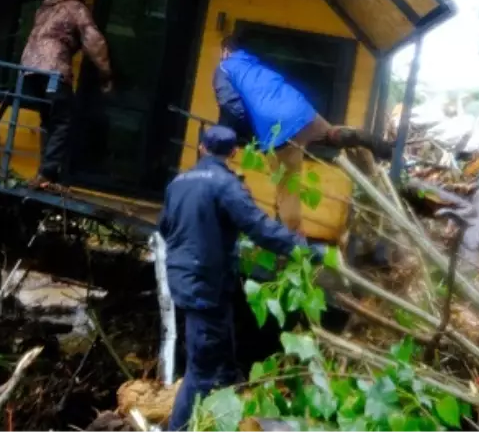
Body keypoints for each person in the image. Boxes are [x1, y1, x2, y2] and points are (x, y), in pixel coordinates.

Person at [159, 125, 326, 432]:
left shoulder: (178, 183)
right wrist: (308, 250)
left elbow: (165, 227)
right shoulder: (226, 185)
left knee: (223, 364)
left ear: (201, 149)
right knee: (201, 372)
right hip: (204, 286)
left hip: (186, 279)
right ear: (234, 153)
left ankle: (220, 422)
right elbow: (260, 228)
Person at [213, 34, 392, 231]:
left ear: (226, 51)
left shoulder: (224, 68)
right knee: (331, 134)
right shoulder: (256, 64)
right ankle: (381, 147)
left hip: (276, 131)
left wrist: (240, 133)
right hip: (301, 111)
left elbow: (230, 106)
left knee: (288, 190)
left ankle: (293, 246)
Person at [19, 0, 113, 189]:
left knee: (48, 119)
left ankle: (46, 172)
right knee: (63, 120)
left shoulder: (44, 8)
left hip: (29, 70)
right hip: (52, 71)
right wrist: (105, 73)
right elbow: (94, 42)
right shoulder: (75, 7)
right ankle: (48, 173)